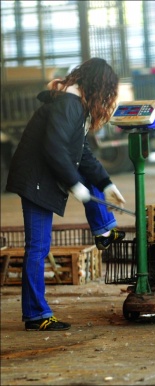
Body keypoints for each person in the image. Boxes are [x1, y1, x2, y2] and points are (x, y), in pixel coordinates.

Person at [6, 58, 127, 331]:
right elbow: (55, 148)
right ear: (98, 87)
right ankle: (36, 315)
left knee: (39, 247)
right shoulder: (68, 104)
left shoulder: (75, 105)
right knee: (37, 248)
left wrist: (106, 184)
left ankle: (104, 229)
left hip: (42, 177)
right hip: (36, 180)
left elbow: (81, 152)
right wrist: (75, 184)